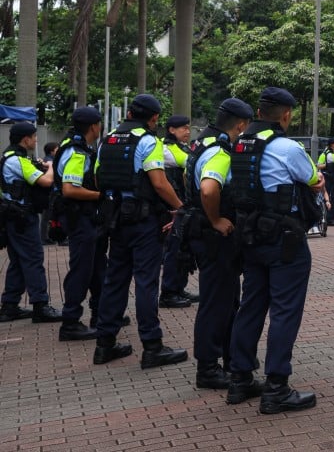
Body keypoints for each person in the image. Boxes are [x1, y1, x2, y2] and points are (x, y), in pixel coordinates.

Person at [228, 87, 323, 413]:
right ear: (286, 115)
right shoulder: (287, 147)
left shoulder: (238, 145)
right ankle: (276, 387)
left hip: (250, 237)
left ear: (258, 112)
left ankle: (239, 378)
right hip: (286, 240)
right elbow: (314, 179)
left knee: (251, 306)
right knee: (285, 310)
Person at [93, 94, 188, 368]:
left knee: (116, 279)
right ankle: (152, 346)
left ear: (131, 112)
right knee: (146, 282)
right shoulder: (148, 142)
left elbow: (99, 178)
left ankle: (105, 344)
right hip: (143, 220)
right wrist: (180, 207)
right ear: (154, 118)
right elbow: (159, 183)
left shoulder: (108, 139)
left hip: (115, 219)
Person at [184, 97, 252, 390]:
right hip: (215, 236)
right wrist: (215, 220)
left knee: (225, 299)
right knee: (216, 302)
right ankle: (208, 368)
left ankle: (227, 357)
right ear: (240, 125)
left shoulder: (202, 142)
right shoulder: (221, 151)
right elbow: (209, 189)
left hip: (202, 233)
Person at [52, 107, 107, 340]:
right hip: (79, 218)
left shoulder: (76, 146)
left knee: (95, 268)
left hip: (85, 219)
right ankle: (71, 321)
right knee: (81, 270)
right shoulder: (77, 152)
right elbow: (70, 189)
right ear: (94, 126)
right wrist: (101, 196)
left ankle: (100, 314)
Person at [0, 122, 62, 323]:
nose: (36, 140)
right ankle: (40, 306)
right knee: (33, 259)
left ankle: (9, 306)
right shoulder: (17, 160)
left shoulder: (11, 158)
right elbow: (45, 181)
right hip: (21, 217)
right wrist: (51, 166)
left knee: (18, 261)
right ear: (25, 139)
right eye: (34, 137)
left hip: (14, 216)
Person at [160, 114, 195, 309]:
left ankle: (178, 288)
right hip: (173, 208)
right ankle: (168, 292)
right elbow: (188, 162)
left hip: (182, 205)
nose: (187, 132)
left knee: (182, 249)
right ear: (171, 130)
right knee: (174, 249)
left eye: (188, 128)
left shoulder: (182, 147)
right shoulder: (166, 149)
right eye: (183, 128)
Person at [316, 138, 334, 226]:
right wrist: (327, 165)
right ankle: (328, 218)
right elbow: (319, 165)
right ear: (332, 144)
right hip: (328, 178)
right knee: (328, 197)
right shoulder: (325, 153)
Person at [40, 141, 59, 245]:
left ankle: (46, 237)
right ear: (51, 151)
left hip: (50, 191)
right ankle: (44, 238)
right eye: (57, 149)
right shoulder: (49, 161)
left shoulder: (49, 160)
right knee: (47, 215)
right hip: (50, 192)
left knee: (48, 215)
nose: (58, 150)